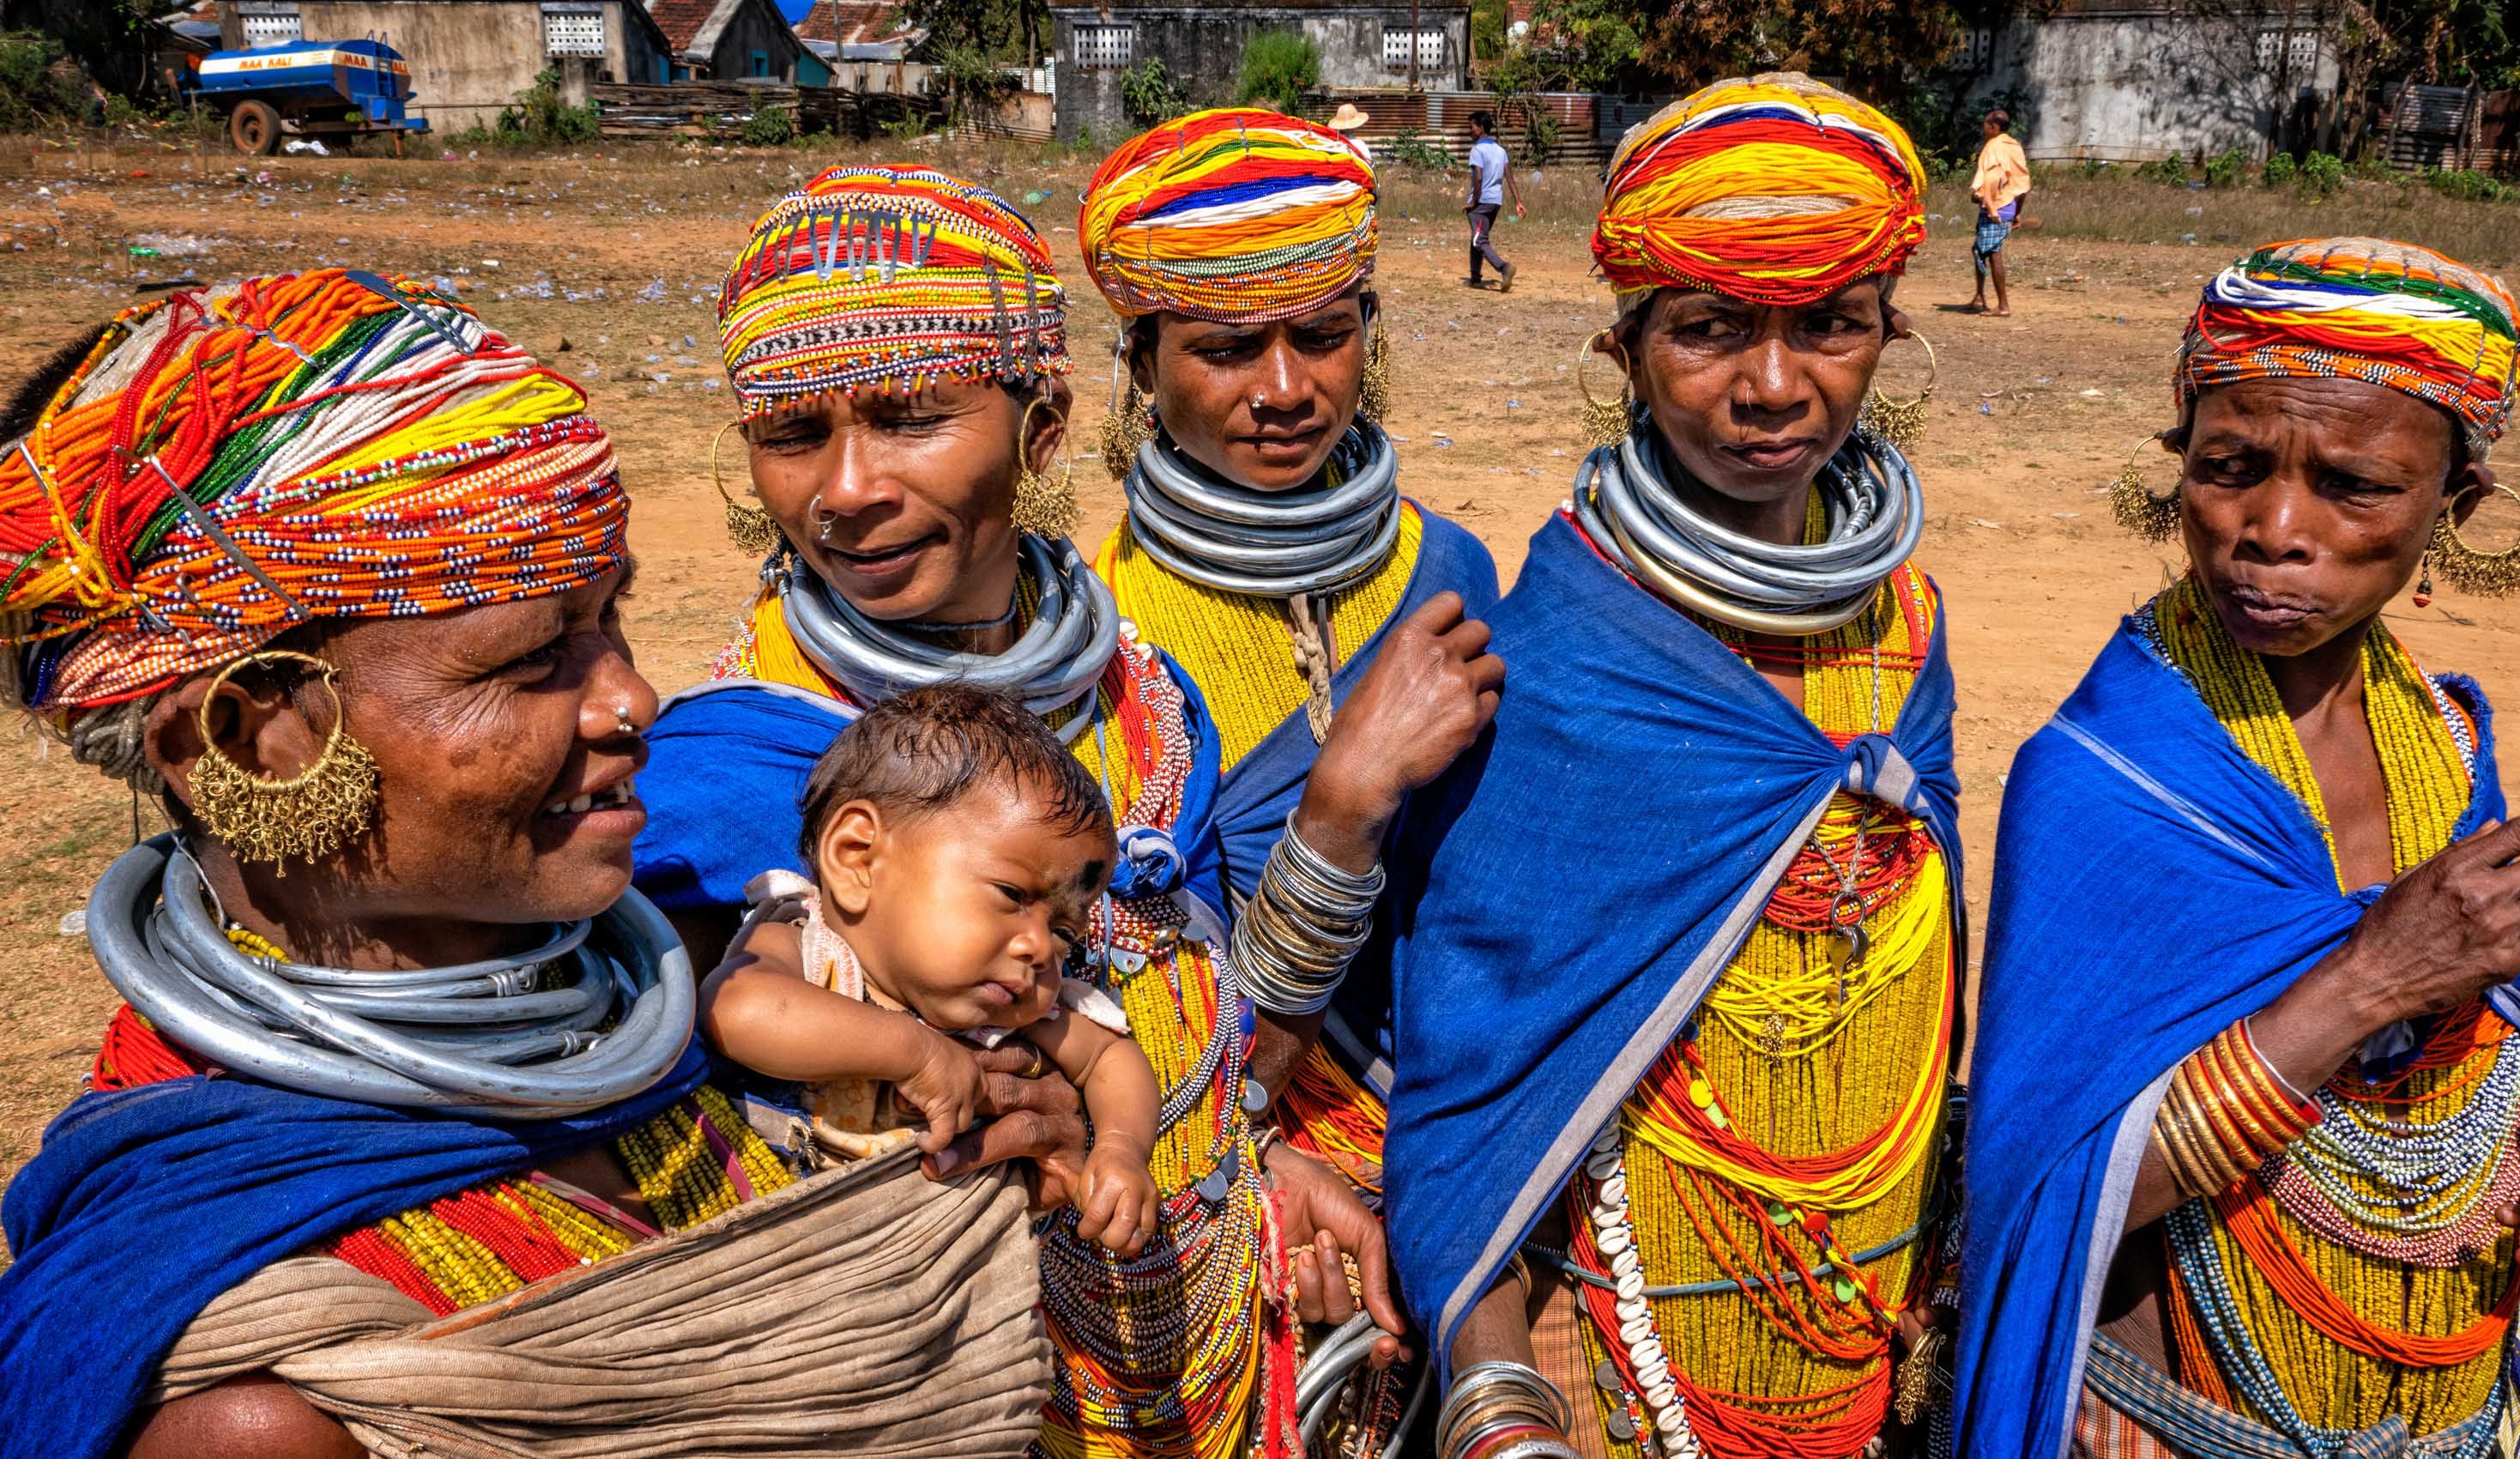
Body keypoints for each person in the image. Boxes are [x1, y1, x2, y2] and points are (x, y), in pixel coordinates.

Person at [0, 270, 1048, 1459]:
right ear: (250, 738)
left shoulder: (725, 981)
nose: (633, 701)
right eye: (531, 659)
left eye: (612, 618)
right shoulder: (261, 1412)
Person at [635, 163, 1496, 1458]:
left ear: (1042, 426)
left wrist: (1252, 1167)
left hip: (1209, 1329)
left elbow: (1208, 1006)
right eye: (794, 434)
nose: (846, 487)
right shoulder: (735, 773)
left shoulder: (1147, 698)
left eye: (909, 416)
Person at [1381, 75, 1961, 1459]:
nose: (1773, 386)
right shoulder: (1554, 659)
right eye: (1708, 332)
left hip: (1871, 1295)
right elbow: (1476, 1060)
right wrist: (1500, 1392)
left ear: (1888, 334)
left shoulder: (1906, 622)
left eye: (1831, 325)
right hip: (1626, 1325)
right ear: (1625, 349)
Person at [1957, 237, 2520, 1459]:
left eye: (2353, 487)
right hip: (2170, 1419)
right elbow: (2047, 1199)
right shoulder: (2105, 781)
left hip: (2446, 1410)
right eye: (2229, 467)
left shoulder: (2450, 754)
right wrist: (2368, 981)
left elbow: (2434, 1097)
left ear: (2451, 511)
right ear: (2177, 469)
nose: (2272, 528)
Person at [1078, 103, 1502, 1201]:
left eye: (1322, 335)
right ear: (1141, 362)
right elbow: (1123, 1013)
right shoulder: (1105, 639)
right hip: (1244, 1155)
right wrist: (1343, 803)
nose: (1283, 390)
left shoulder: (1450, 564)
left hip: (1475, 1121)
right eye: (1222, 349)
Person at [701, 684, 1163, 1255]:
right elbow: (733, 1008)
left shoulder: (1000, 1017)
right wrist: (915, 1052)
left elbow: (1112, 1059)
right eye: (1012, 894)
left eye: (1065, 932)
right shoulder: (807, 951)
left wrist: (1119, 1148)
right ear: (857, 859)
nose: (1040, 948)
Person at [1967, 109, 2028, 316]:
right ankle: (1979, 297)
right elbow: (2022, 182)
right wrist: (2018, 211)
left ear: (1994, 127)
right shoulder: (2014, 147)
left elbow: (1987, 180)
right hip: (2009, 205)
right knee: (1980, 249)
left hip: (1995, 207)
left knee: (1993, 253)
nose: (1983, 128)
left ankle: (2003, 306)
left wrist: (1977, 195)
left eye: (1985, 124)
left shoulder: (1993, 147)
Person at [1465, 108, 1525, 291]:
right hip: (1495, 202)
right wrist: (1518, 201)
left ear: (1481, 128)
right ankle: (1475, 277)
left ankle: (1504, 268)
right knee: (1478, 237)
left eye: (1472, 127)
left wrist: (1473, 202)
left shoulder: (1477, 150)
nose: (1470, 131)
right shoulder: (1501, 151)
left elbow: (1479, 178)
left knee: (1479, 240)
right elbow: (1509, 177)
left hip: (1482, 201)